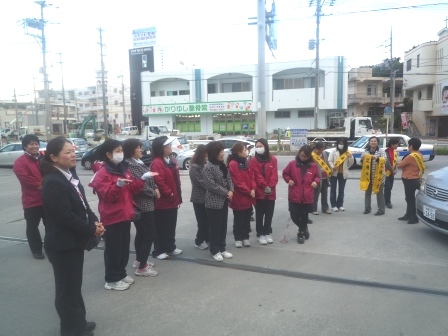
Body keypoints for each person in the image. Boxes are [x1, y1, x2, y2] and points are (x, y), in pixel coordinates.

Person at [41, 136, 105, 336]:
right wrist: (90, 230)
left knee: (74, 286)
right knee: (67, 290)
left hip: (73, 242)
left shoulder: (68, 175)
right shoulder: (53, 181)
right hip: (62, 244)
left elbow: (84, 205)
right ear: (53, 157)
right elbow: (65, 217)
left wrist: (94, 220)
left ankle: (79, 322)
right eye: (67, 152)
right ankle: (71, 331)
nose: (73, 155)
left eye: (73, 150)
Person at [89, 139, 154, 291]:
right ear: (108, 154)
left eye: (121, 150)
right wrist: (117, 185)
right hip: (112, 217)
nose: (121, 154)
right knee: (113, 249)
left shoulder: (123, 168)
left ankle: (121, 273)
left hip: (125, 214)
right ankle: (111, 279)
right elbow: (109, 196)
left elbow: (132, 189)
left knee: (124, 248)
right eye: (117, 151)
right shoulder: (102, 173)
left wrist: (142, 179)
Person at [123, 138, 159, 277]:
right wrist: (153, 193)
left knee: (142, 234)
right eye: (138, 147)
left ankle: (139, 260)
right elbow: (140, 185)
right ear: (131, 150)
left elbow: (150, 178)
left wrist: (155, 188)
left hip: (148, 202)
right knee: (149, 234)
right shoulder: (130, 165)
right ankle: (142, 267)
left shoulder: (138, 162)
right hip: (142, 204)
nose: (141, 150)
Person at [13, 134, 46, 259]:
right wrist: (48, 185)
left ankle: (50, 246)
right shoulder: (20, 162)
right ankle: (36, 250)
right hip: (32, 201)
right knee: (32, 227)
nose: (35, 146)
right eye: (31, 144)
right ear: (25, 147)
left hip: (47, 199)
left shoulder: (43, 158)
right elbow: (27, 180)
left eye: (36, 143)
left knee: (51, 225)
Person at [150, 136, 183, 260]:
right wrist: (169, 193)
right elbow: (159, 181)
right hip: (163, 201)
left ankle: (170, 247)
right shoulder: (157, 163)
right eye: (167, 146)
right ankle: (159, 250)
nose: (170, 147)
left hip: (173, 200)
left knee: (170, 225)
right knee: (161, 227)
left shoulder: (171, 160)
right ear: (161, 148)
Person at [203, 141, 234, 261]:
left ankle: (222, 248)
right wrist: (226, 192)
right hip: (214, 202)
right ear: (214, 153)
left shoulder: (222, 165)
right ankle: (214, 250)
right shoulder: (208, 167)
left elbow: (229, 178)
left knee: (223, 226)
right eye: (221, 151)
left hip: (224, 201)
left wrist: (231, 190)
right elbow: (211, 185)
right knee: (214, 227)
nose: (223, 153)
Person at [283, 145, 319, 244]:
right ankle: (304, 227)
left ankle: (301, 233)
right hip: (294, 195)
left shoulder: (313, 165)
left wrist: (315, 182)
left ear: (309, 157)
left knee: (304, 216)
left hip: (307, 196)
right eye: (301, 155)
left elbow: (317, 176)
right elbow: (285, 174)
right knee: (294, 216)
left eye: (305, 156)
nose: (302, 157)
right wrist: (289, 180)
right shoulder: (292, 164)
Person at [250, 138, 278, 245]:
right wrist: (264, 186)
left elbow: (274, 175)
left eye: (260, 146)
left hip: (271, 192)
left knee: (269, 214)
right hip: (259, 192)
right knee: (260, 213)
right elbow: (256, 175)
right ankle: (260, 233)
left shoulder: (273, 159)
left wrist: (270, 186)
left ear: (265, 146)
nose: (258, 148)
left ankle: (267, 232)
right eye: (257, 146)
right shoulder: (254, 160)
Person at [228, 142, 256, 248]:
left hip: (248, 196)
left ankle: (245, 237)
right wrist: (249, 191)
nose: (246, 151)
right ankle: (238, 238)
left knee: (247, 218)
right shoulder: (233, 164)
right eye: (245, 150)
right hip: (239, 196)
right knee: (239, 219)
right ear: (239, 152)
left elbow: (252, 177)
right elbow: (238, 182)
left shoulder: (246, 162)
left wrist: (253, 188)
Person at [397, 137, 425, 224]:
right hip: (416, 178)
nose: (408, 147)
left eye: (409, 145)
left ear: (411, 146)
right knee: (409, 198)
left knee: (410, 199)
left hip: (409, 179)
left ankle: (414, 218)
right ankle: (408, 215)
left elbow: (399, 165)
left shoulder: (410, 156)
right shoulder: (419, 155)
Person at [189, 144, 209, 250]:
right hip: (198, 198)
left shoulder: (204, 165)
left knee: (207, 221)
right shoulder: (194, 167)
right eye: (206, 153)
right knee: (202, 222)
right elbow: (200, 182)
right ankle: (199, 240)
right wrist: (212, 186)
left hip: (207, 197)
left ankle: (206, 238)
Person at [360, 136, 387, 216]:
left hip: (378, 176)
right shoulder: (366, 151)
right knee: (367, 193)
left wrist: (376, 158)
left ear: (377, 142)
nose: (373, 142)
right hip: (368, 176)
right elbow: (362, 163)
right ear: (369, 142)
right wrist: (362, 159)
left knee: (379, 193)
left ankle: (381, 210)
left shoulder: (381, 151)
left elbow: (384, 160)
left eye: (375, 141)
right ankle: (367, 208)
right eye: (371, 141)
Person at [327, 137, 354, 212]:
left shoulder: (348, 152)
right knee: (333, 190)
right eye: (339, 143)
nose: (340, 145)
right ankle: (333, 205)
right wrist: (333, 167)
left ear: (345, 144)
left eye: (342, 144)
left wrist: (350, 157)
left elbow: (351, 163)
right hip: (334, 173)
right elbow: (330, 160)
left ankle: (340, 204)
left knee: (341, 190)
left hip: (343, 173)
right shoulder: (333, 151)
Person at [311, 142, 332, 215]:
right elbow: (311, 167)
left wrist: (330, 169)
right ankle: (313, 209)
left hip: (325, 177)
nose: (322, 150)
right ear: (316, 148)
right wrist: (319, 169)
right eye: (320, 149)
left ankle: (325, 208)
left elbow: (326, 163)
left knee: (325, 194)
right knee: (315, 194)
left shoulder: (324, 154)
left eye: (323, 149)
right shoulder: (312, 155)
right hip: (316, 177)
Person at [384, 138, 399, 209]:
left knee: (390, 187)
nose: (397, 145)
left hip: (392, 172)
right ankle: (387, 202)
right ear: (392, 144)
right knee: (387, 187)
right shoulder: (386, 151)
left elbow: (395, 162)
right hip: (386, 172)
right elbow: (387, 163)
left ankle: (385, 200)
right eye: (396, 144)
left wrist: (396, 169)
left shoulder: (394, 151)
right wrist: (393, 170)